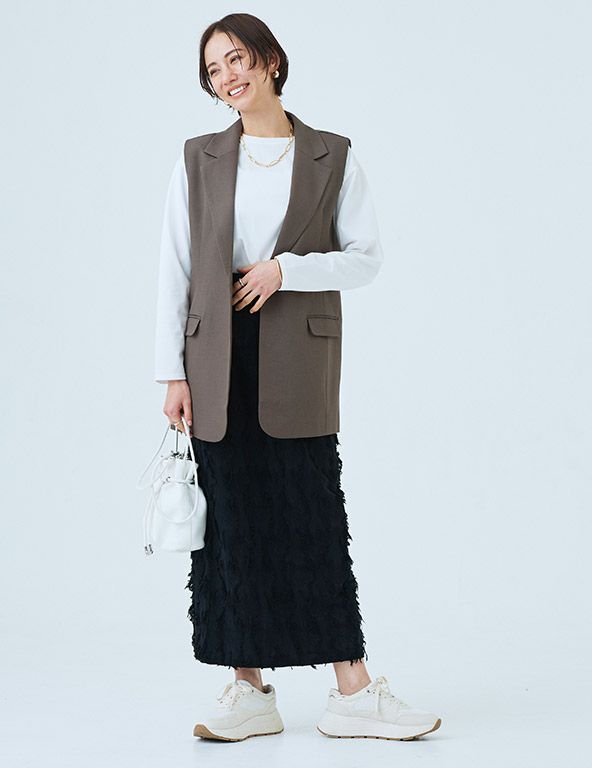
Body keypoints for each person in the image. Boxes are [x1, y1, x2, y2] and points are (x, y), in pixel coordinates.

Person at [154, 12, 442, 742]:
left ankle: (353, 691)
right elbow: (174, 269)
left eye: (237, 58)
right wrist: (169, 372)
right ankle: (248, 690)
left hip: (298, 358)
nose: (228, 76)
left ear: (271, 61)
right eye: (214, 69)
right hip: (215, 359)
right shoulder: (196, 159)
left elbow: (366, 257)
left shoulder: (331, 155)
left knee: (312, 515)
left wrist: (287, 270)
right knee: (231, 523)